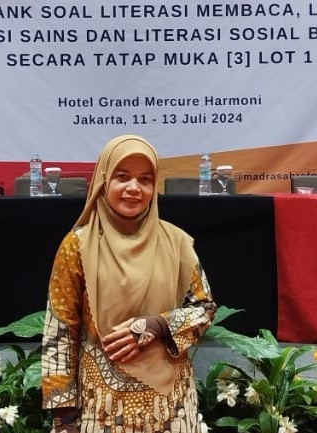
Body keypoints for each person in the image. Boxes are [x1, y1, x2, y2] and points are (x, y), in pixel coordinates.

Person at [41, 135, 217, 433]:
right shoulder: (77, 246)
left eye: (145, 180)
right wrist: (64, 417)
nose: (134, 188)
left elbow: (205, 308)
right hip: (102, 408)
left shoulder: (176, 242)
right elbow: (60, 328)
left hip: (171, 406)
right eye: (122, 177)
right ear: (104, 180)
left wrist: (156, 325)